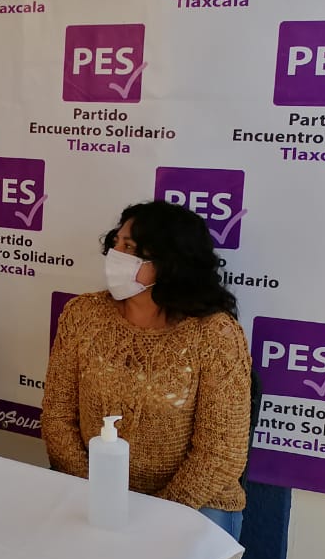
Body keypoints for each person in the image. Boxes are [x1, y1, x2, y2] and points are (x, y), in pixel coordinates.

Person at [41, 200, 251, 540]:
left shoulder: (215, 334)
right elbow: (57, 417)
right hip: (91, 488)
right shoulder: (82, 315)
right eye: (116, 243)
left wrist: (154, 517)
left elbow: (221, 452)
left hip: (195, 502)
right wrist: (98, 491)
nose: (115, 255)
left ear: (170, 263)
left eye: (130, 248)